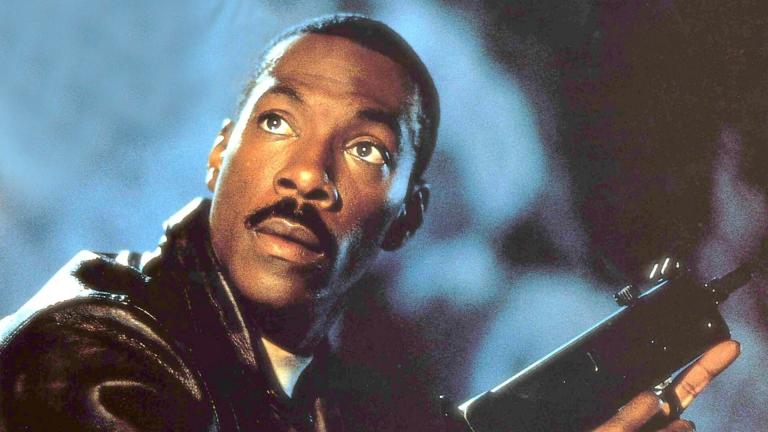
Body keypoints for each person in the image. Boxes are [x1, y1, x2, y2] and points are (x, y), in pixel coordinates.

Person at [0, 14, 739, 432]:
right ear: (220, 152)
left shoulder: (322, 392)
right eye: (278, 122)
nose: (307, 174)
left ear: (406, 219)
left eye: (366, 150)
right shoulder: (91, 348)